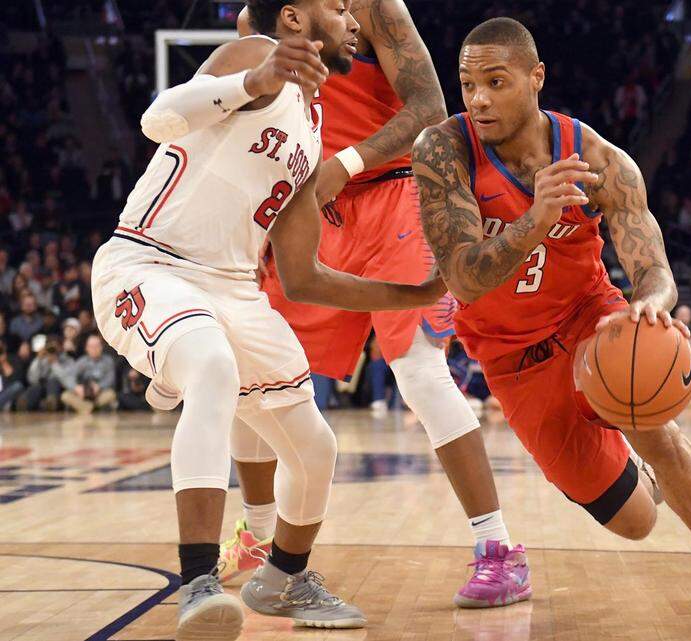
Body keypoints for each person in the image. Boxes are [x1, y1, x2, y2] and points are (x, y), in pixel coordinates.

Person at [411, 18, 691, 641]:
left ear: (536, 79)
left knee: (655, 427)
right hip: (513, 362)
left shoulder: (598, 160)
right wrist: (536, 217)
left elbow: (654, 270)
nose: (477, 98)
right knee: (635, 522)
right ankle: (641, 479)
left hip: (588, 317)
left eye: (495, 82)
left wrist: (652, 304)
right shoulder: (442, 151)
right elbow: (465, 279)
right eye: (467, 83)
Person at [92, 3, 444, 638]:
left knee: (315, 446)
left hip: (233, 291)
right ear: (295, 18)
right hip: (151, 263)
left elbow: (306, 277)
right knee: (212, 365)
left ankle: (284, 576)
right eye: (338, 8)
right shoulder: (251, 55)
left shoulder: (311, 130)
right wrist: (251, 83)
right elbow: (157, 118)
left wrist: (416, 292)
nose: (353, 18)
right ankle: (199, 581)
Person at [233, 0, 526, 609]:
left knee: (418, 371)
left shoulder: (376, 9)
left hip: (396, 190)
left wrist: (347, 161)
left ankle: (499, 551)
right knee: (252, 370)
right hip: (315, 207)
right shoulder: (254, 24)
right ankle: (258, 535)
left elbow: (429, 108)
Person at [60, 334, 118, 413]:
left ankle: (86, 408)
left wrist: (99, 387)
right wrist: (76, 388)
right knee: (65, 395)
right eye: (91, 346)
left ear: (101, 347)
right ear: (87, 348)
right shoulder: (81, 362)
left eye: (97, 346)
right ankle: (90, 408)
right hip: (83, 393)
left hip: (100, 393)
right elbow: (69, 377)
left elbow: (110, 379)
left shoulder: (108, 361)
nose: (94, 349)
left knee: (111, 394)